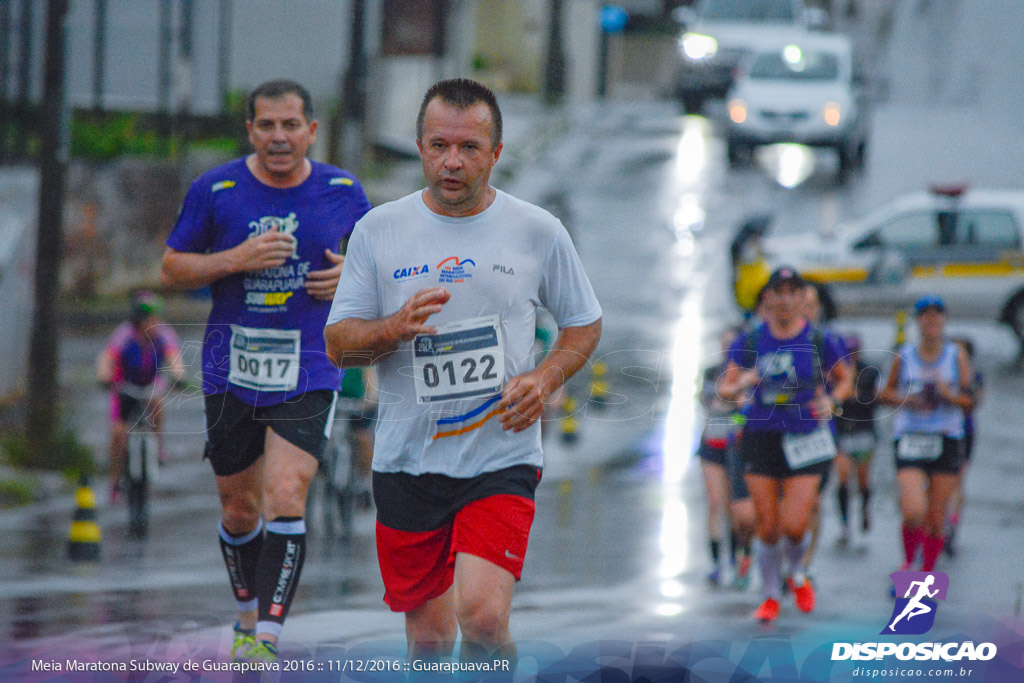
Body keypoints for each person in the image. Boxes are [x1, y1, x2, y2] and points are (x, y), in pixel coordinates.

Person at [324, 78, 602, 664]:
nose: (453, 162)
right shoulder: (379, 230)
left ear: (496, 152)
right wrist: (392, 328)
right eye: (438, 145)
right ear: (419, 147)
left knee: (481, 616)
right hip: (406, 461)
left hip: (499, 457)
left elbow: (584, 325)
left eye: (470, 148)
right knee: (428, 640)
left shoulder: (536, 230)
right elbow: (338, 344)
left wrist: (544, 379)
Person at [159, 79, 372, 662]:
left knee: (286, 491)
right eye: (267, 126)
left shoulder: (344, 191)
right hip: (232, 368)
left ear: (311, 130)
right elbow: (171, 267)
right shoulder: (217, 189)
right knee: (239, 507)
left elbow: (385, 265)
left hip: (309, 364)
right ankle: (246, 617)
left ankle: (268, 639)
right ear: (251, 130)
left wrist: (351, 275)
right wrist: (234, 260)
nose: (279, 137)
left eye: (290, 125)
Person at [718, 267, 852, 623]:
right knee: (768, 526)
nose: (785, 300)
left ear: (801, 299)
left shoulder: (820, 340)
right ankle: (770, 596)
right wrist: (741, 384)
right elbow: (724, 388)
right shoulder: (750, 340)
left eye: (793, 293)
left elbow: (845, 379)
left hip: (805, 437)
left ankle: (797, 573)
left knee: (794, 525)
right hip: (761, 438)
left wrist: (833, 402)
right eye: (778, 293)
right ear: (767, 299)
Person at [878, 296, 973, 572]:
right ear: (918, 321)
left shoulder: (957, 355)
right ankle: (908, 562)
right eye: (925, 316)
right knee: (913, 511)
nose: (931, 321)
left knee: (935, 517)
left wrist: (948, 396)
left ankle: (926, 574)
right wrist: (905, 399)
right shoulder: (904, 355)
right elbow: (883, 394)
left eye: (936, 315)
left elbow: (971, 400)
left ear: (944, 320)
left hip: (946, 437)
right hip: (910, 437)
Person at [96, 290, 184, 503]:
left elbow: (174, 358)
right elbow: (107, 359)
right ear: (139, 319)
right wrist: (104, 377)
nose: (155, 321)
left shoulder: (163, 334)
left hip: (150, 386)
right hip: (124, 387)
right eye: (150, 317)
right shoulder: (124, 335)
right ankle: (115, 481)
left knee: (157, 402)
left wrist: (178, 376)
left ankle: (158, 446)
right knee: (118, 433)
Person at [696, 328, 746, 586]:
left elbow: (744, 407)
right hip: (712, 444)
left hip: (736, 445)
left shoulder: (748, 373)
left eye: (733, 344)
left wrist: (734, 406)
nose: (728, 348)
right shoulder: (711, 372)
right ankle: (716, 564)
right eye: (724, 343)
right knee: (715, 502)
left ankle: (737, 561)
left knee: (734, 509)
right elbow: (707, 401)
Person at [833, 333, 879, 544]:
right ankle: (844, 523)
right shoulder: (836, 371)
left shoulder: (869, 371)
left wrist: (858, 396)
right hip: (842, 432)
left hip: (863, 431)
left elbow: (877, 399)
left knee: (862, 480)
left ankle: (864, 507)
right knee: (842, 479)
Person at [944, 337, 982, 556]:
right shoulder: (942, 370)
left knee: (957, 480)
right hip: (940, 432)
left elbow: (974, 403)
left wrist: (949, 395)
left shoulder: (973, 377)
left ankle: (952, 525)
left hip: (964, 433)